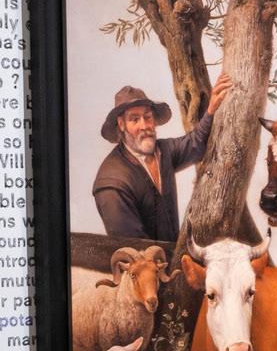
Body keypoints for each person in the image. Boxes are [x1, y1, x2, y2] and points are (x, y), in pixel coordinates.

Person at [92, 75, 233, 244]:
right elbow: (131, 245)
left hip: (173, 256)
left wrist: (211, 109)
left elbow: (196, 142)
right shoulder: (112, 182)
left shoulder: (163, 151)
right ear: (121, 124)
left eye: (147, 117)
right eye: (134, 119)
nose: (144, 126)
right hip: (143, 260)